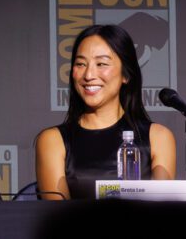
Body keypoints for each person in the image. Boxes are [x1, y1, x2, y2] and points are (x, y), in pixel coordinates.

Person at [35, 25, 176, 200]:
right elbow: (57, 219)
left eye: (101, 64)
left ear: (126, 74)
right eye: (80, 64)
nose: (89, 75)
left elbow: (163, 214)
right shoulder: (53, 140)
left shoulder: (158, 137)